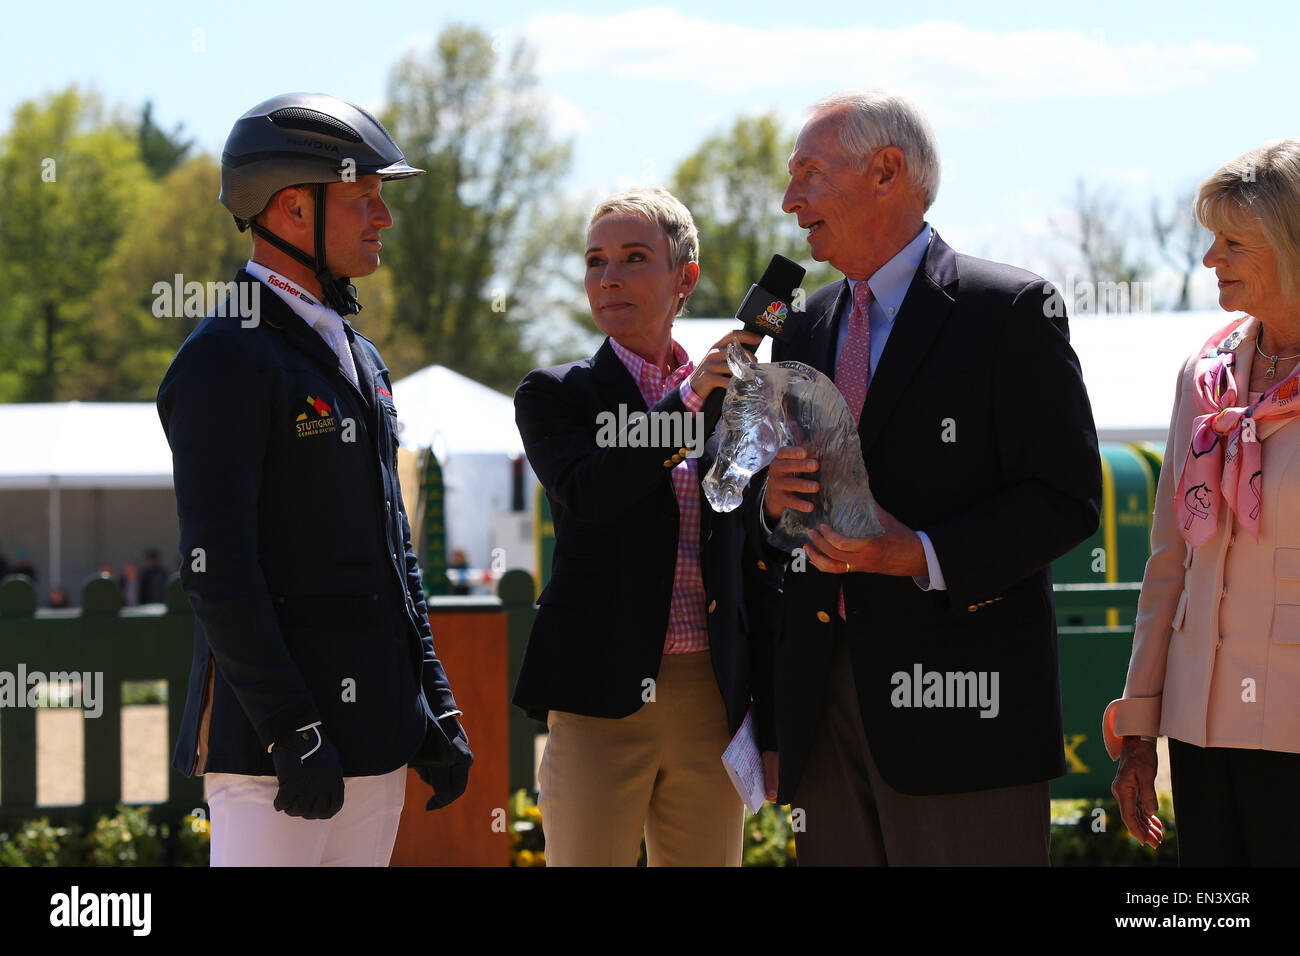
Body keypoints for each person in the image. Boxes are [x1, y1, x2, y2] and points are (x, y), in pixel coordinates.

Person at [753, 90, 1101, 865]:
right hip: (823, 707)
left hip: (965, 715)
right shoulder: (802, 325)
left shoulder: (1010, 310)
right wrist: (774, 500)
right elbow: (778, 514)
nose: (789, 201)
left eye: (809, 173)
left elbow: (1067, 500)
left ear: (886, 171)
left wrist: (920, 554)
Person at [157, 93, 472, 867]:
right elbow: (219, 570)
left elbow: (396, 552)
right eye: (364, 198)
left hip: (375, 741)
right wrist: (291, 727)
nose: (383, 218)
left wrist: (433, 695)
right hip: (275, 754)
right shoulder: (224, 356)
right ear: (294, 207)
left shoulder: (359, 357)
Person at [512, 188, 780, 866]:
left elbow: (759, 562)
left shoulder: (735, 395)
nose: (610, 278)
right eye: (596, 261)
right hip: (598, 699)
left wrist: (771, 717)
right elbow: (594, 493)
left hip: (709, 699)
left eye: (635, 258)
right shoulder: (554, 394)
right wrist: (689, 401)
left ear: (684, 277)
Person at [1105, 139, 1300, 865]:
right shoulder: (1204, 373)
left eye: (1234, 242)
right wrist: (1138, 735)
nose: (1211, 259)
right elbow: (1168, 564)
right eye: (1211, 239)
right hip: (1198, 727)